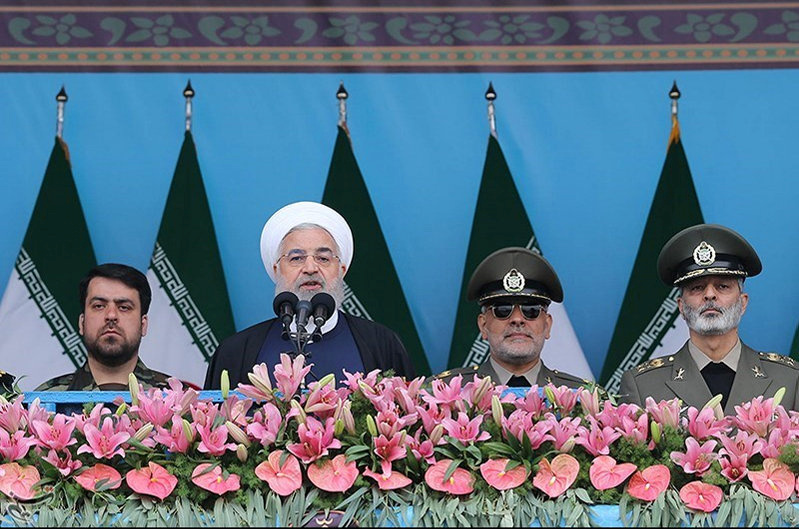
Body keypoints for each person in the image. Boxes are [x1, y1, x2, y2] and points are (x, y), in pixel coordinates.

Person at [204, 201, 415, 389]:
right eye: (296, 258)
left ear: (341, 269)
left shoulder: (382, 344)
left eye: (323, 258)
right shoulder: (236, 351)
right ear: (277, 269)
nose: (311, 268)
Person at [620, 223, 799, 414]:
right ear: (681, 306)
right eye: (697, 287)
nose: (710, 295)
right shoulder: (643, 385)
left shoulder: (789, 378)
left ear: (743, 302)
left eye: (722, 286)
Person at [433, 246, 588, 388]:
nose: (517, 319)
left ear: (547, 325)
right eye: (502, 309)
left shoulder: (581, 398)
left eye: (531, 309)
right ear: (483, 325)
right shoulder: (444, 392)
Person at [35, 263, 175, 391]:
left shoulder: (177, 401)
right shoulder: (45, 401)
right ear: (81, 323)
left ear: (143, 324)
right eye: (99, 306)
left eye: (124, 307)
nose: (111, 315)